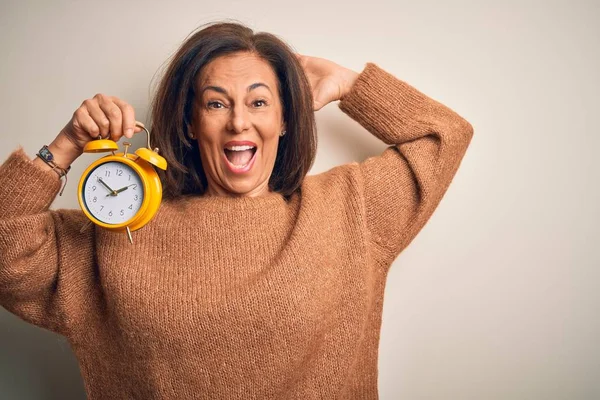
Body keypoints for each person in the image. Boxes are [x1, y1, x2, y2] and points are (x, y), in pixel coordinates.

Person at [0, 21, 473, 400]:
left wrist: (350, 85)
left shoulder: (350, 209)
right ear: (189, 122)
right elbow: (6, 251)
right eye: (216, 104)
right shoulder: (121, 227)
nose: (239, 122)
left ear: (286, 118)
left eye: (259, 101)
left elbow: (444, 136)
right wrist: (64, 146)